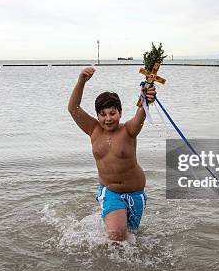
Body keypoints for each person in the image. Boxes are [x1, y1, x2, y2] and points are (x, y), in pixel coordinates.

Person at [67, 66, 156, 241]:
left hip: (136, 192)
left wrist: (146, 98)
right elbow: (73, 108)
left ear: (120, 113)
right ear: (97, 115)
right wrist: (81, 82)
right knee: (116, 236)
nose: (108, 118)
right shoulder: (93, 130)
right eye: (103, 114)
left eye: (113, 113)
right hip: (111, 192)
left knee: (132, 237)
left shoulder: (129, 130)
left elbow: (142, 113)